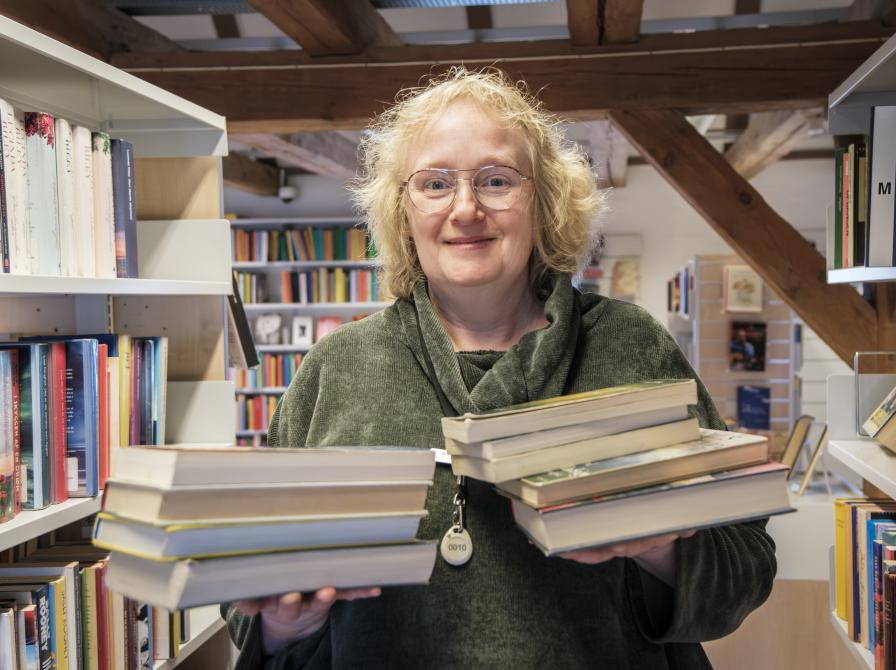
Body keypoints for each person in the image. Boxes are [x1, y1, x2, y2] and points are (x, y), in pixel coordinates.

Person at [224, 67, 776, 670]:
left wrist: (664, 547)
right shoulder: (339, 366)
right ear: (402, 209)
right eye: (435, 183)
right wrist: (281, 622)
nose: (465, 209)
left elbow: (744, 565)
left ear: (543, 202)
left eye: (495, 180)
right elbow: (253, 606)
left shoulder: (628, 346)